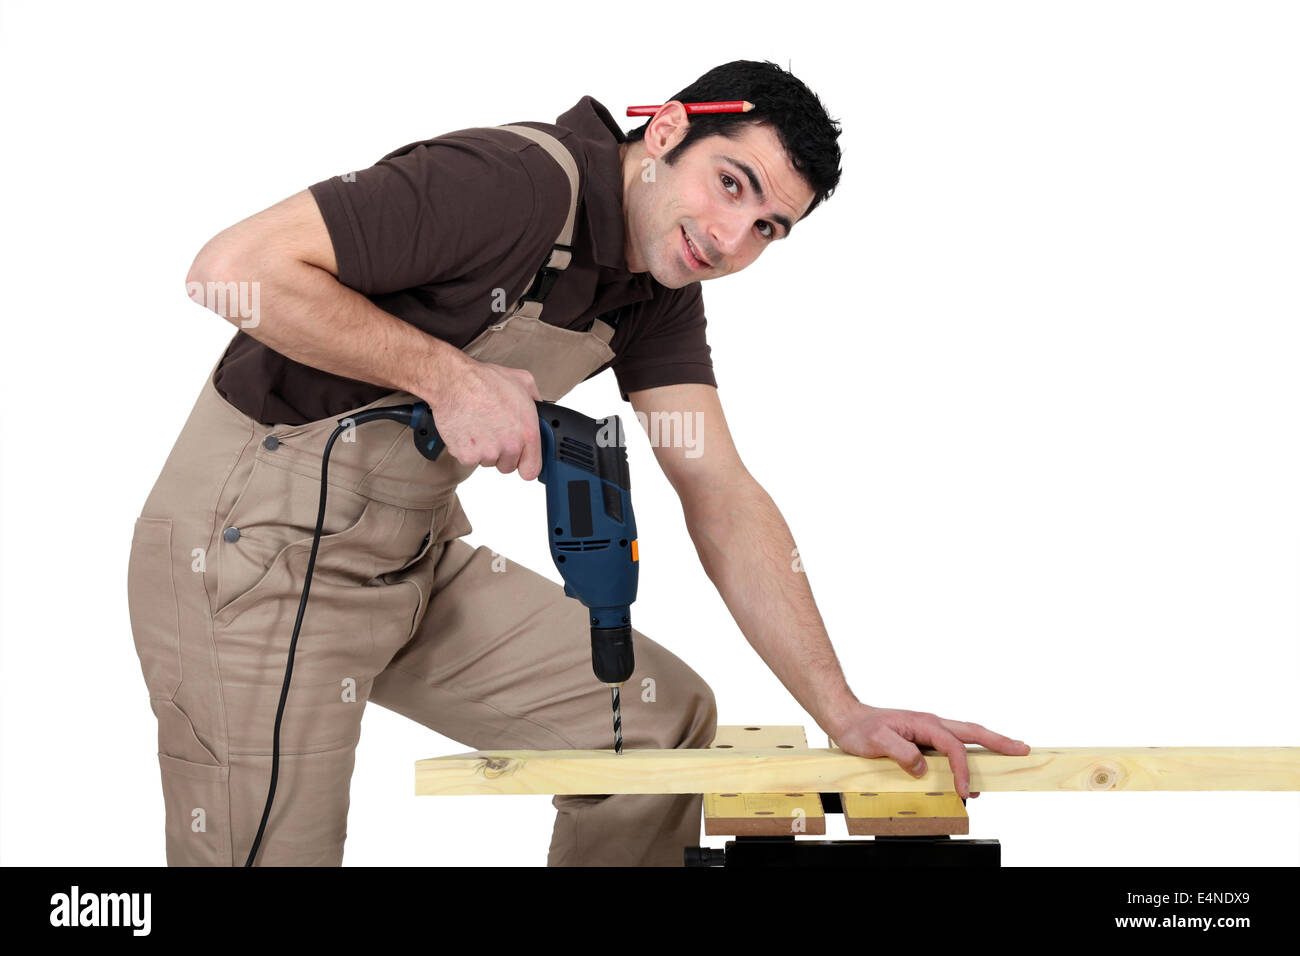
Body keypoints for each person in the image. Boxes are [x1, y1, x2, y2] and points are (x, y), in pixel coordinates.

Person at [128, 59, 1028, 867]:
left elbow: (717, 488)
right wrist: (448, 377)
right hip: (254, 557)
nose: (731, 237)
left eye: (769, 227)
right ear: (667, 129)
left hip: (406, 561)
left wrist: (844, 709)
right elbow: (231, 268)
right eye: (730, 184)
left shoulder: (658, 289)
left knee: (655, 728)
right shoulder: (509, 183)